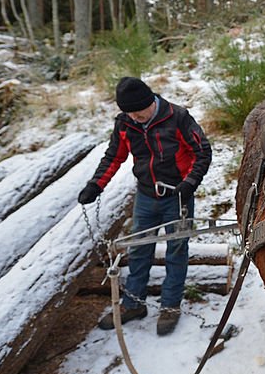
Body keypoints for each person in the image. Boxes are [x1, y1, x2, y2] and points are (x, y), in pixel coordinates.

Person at [78, 76, 212, 335]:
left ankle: (170, 306)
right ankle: (133, 305)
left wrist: (190, 182)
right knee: (139, 251)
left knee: (176, 252)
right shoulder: (126, 123)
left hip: (178, 196)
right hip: (146, 196)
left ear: (151, 101)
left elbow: (203, 151)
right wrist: (96, 185)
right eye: (130, 114)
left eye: (139, 113)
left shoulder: (178, 117)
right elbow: (114, 156)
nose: (136, 118)